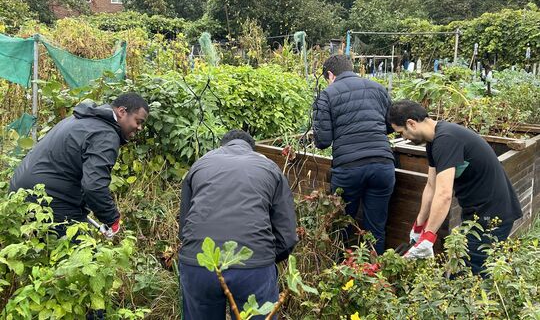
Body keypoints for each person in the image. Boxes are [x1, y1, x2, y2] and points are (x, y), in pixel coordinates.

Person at [387, 100, 523, 275]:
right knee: (463, 268)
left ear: (411, 123)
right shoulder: (434, 141)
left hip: (493, 215)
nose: (403, 138)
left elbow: (444, 194)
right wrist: (419, 227)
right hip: (476, 212)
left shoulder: (446, 139)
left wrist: (429, 237)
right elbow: (431, 186)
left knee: (468, 274)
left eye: (401, 132)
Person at [178, 129, 298, 320]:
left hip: (199, 262)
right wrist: (261, 259)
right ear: (252, 148)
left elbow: (184, 229)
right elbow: (287, 237)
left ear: (222, 146)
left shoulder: (199, 165)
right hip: (254, 267)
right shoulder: (269, 167)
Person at [10, 92, 149, 237]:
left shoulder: (81, 119)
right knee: (83, 254)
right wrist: (112, 219)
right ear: (122, 112)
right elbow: (94, 186)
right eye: (138, 121)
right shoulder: (105, 134)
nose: (139, 128)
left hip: (19, 193)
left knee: (39, 251)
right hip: (48, 198)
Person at [312, 54, 395, 255]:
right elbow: (390, 125)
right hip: (383, 166)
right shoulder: (378, 88)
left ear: (330, 75)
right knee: (375, 229)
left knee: (341, 227)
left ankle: (342, 276)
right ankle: (374, 279)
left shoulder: (327, 94)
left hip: (348, 168)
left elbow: (323, 141)